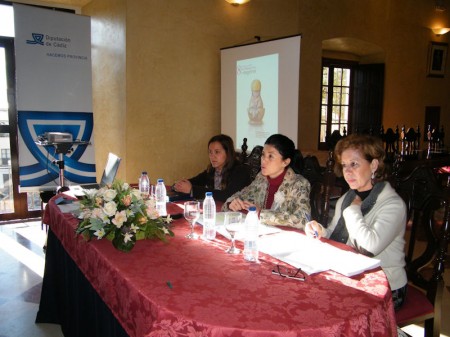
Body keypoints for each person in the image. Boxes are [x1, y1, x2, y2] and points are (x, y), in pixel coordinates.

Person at [305, 133, 407, 310]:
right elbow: (337, 235)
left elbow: (368, 247)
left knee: (328, 306)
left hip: (386, 287)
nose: (347, 171)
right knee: (308, 294)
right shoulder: (348, 197)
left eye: (354, 164)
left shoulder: (393, 205)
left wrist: (353, 211)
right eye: (344, 165)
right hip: (353, 274)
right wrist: (321, 231)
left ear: (374, 165)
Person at [223, 134, 311, 229]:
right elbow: (241, 195)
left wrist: (261, 214)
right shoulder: (261, 178)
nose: (264, 160)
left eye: (270, 156)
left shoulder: (299, 184)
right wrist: (231, 203)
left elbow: (304, 219)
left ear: (285, 162)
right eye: (263, 155)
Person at [173, 134, 251, 202]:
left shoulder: (240, 171)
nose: (212, 156)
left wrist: (192, 190)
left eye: (217, 152)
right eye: (210, 152)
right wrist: (179, 185)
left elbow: (227, 196)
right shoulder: (212, 170)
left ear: (228, 153)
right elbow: (195, 181)